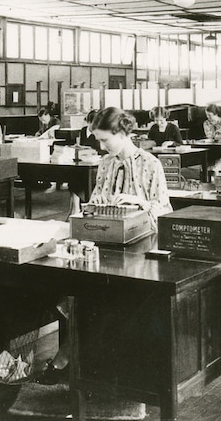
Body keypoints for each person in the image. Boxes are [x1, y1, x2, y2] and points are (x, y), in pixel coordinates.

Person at [40, 108, 172, 383]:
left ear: (123, 134)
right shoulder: (105, 164)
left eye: (104, 141)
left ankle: (75, 358)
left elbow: (165, 212)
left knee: (107, 299)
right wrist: (95, 205)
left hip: (141, 248)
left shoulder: (151, 164)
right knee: (80, 287)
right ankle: (82, 359)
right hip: (105, 244)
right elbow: (97, 202)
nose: (100, 147)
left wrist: (141, 203)